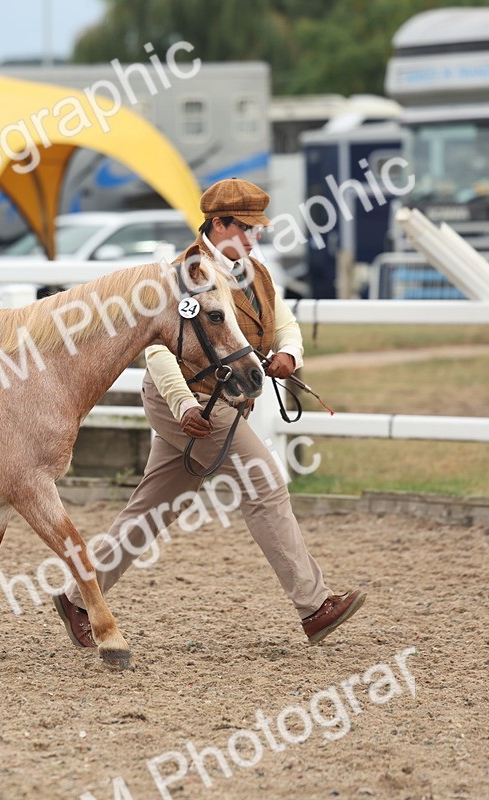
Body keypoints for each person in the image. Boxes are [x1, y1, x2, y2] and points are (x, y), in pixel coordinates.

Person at [52, 178, 365, 648]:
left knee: (153, 508)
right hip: (186, 401)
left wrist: (290, 355)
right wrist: (181, 406)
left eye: (257, 228)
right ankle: (314, 606)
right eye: (245, 228)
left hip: (221, 401)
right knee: (263, 483)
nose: (254, 237)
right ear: (218, 224)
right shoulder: (184, 275)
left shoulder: (255, 273)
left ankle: (78, 599)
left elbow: (285, 324)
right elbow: (158, 351)